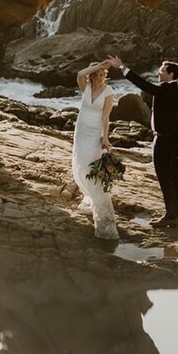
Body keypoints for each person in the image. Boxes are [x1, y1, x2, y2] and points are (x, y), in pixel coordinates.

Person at [108, 56, 178, 227]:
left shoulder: (167, 90)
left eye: (162, 70)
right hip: (171, 137)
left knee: (165, 176)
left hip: (165, 138)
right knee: (172, 175)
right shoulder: (175, 90)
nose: (159, 72)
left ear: (171, 75)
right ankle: (175, 210)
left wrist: (122, 67)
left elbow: (143, 85)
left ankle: (171, 216)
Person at [72, 59, 119, 239]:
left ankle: (104, 218)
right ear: (92, 75)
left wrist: (105, 138)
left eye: (102, 74)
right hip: (80, 132)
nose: (100, 77)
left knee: (93, 169)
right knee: (82, 166)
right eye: (97, 74)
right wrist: (98, 66)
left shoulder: (108, 91)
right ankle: (89, 198)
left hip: (94, 134)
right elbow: (79, 74)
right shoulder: (86, 87)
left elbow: (106, 117)